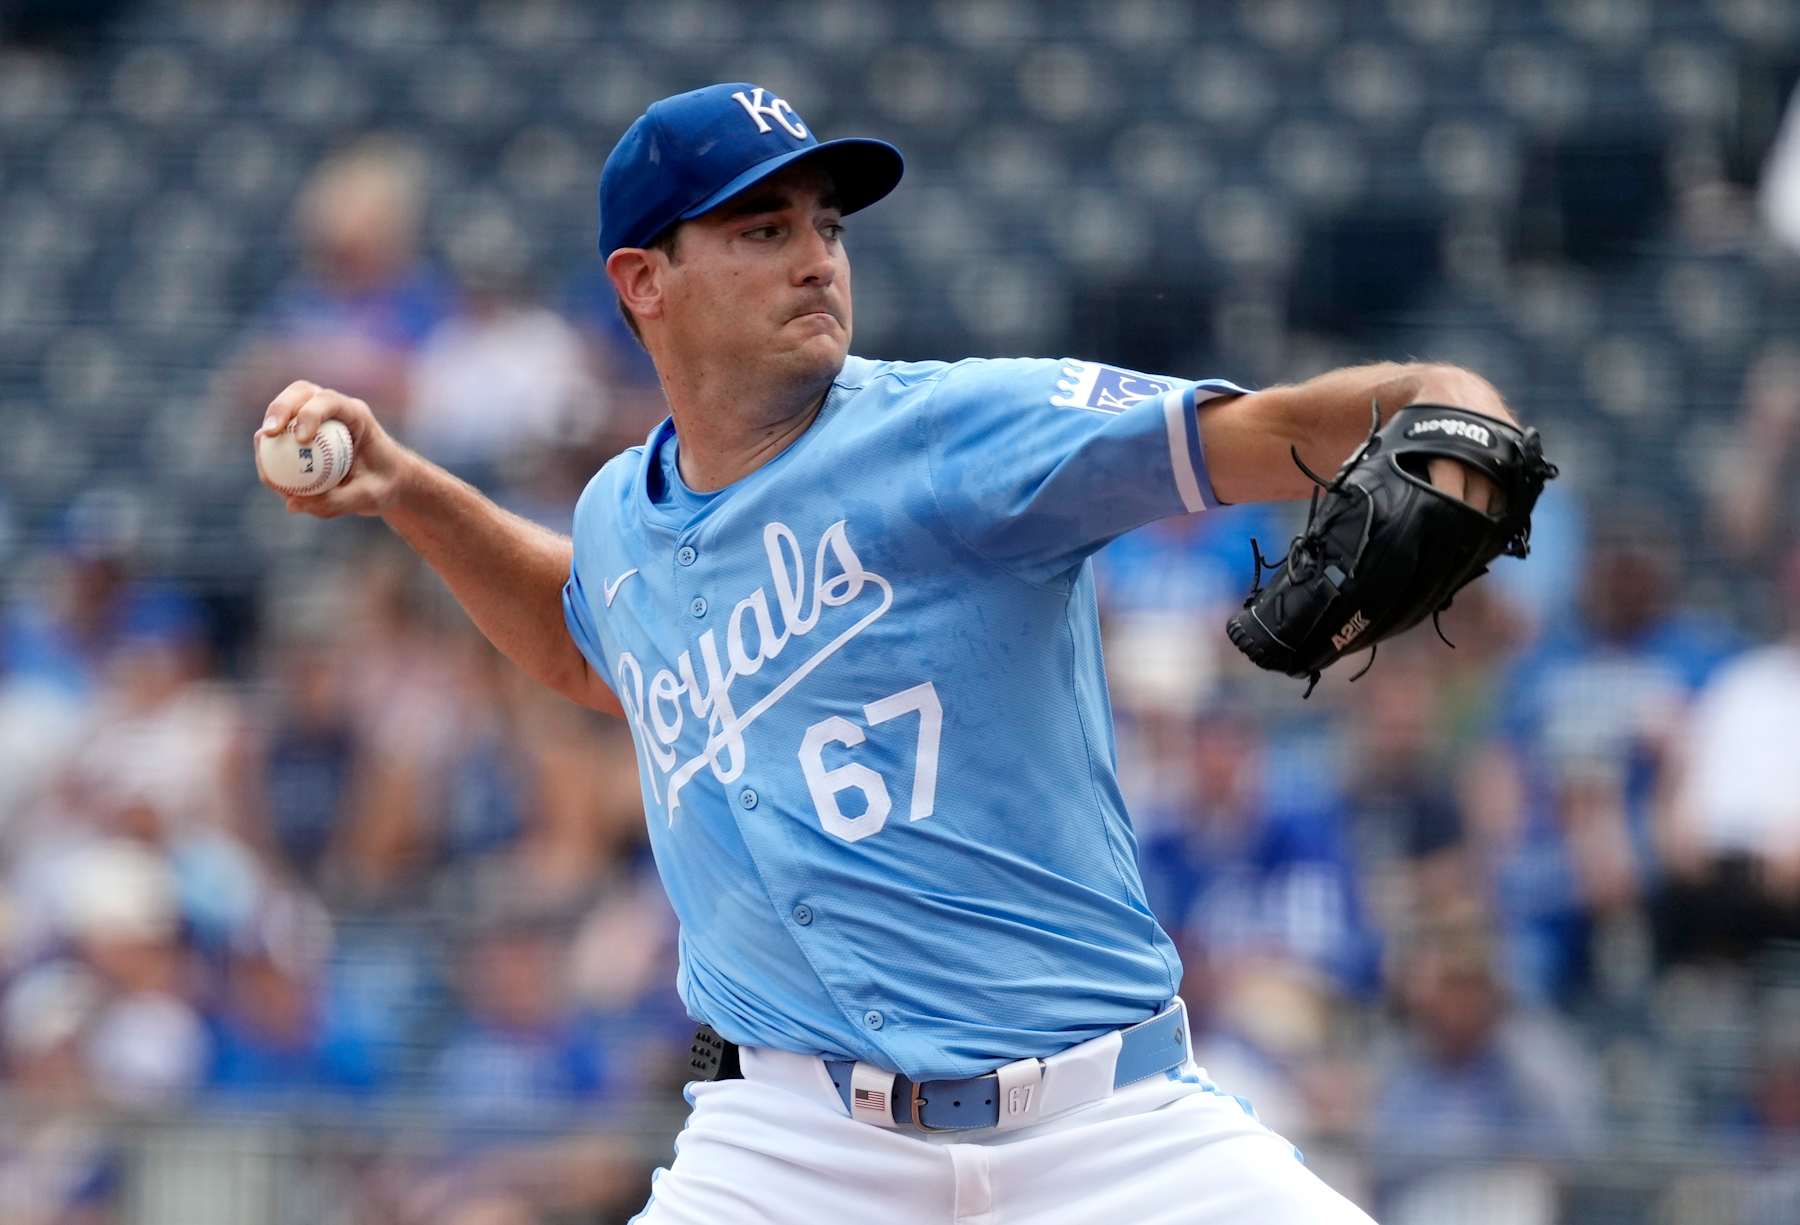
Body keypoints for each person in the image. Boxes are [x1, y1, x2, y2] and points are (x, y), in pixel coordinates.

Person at [254, 82, 1523, 1224]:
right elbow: (599, 652)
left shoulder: (964, 432)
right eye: (764, 230)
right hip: (787, 1146)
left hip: (1105, 1127)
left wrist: (1456, 396)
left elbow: (1270, 427)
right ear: (645, 280)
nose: (815, 258)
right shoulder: (617, 519)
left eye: (829, 226)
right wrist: (406, 486)